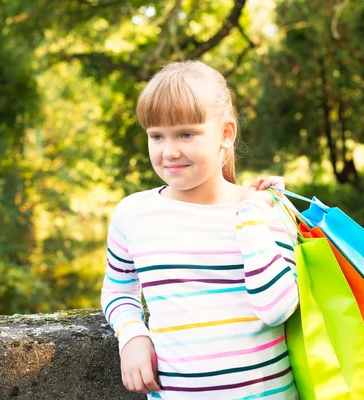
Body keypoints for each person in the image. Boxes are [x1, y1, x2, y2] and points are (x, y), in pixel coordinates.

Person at [101, 60, 299, 399]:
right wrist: (132, 335)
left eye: (186, 134)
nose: (169, 151)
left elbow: (277, 308)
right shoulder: (132, 214)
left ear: (226, 134)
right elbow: (119, 291)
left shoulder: (265, 211)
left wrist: (250, 219)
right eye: (157, 136)